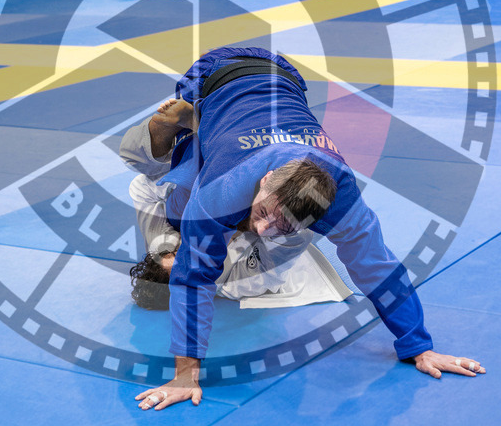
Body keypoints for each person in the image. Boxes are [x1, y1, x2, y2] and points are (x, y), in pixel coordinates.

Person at [134, 47, 485, 411]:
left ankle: (206, 139)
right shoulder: (221, 189)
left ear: (318, 219)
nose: (264, 228)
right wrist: (185, 375)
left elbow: (377, 269)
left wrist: (418, 346)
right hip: (212, 76)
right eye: (265, 211)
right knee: (185, 207)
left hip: (284, 78)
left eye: (283, 225)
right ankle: (188, 125)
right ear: (267, 179)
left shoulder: (344, 200)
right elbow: (194, 278)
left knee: (237, 227)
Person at [122, 100, 352, 309]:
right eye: (187, 267)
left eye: (178, 256)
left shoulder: (163, 241)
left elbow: (140, 188)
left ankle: (197, 130)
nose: (188, 257)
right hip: (278, 209)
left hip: (206, 186)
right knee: (281, 210)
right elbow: (292, 240)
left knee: (152, 171)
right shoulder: (236, 282)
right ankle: (210, 128)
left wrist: (172, 239)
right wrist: (275, 211)